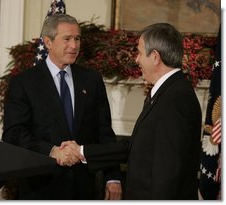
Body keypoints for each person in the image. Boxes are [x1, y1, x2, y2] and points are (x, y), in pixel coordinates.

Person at [61, 23, 202, 200]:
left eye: (140, 53)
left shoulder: (175, 99)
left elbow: (168, 172)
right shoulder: (167, 92)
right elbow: (135, 147)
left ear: (155, 57)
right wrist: (82, 151)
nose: (136, 60)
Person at [2, 13, 122, 200]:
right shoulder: (24, 82)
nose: (74, 46)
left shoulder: (91, 80)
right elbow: (14, 134)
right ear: (48, 42)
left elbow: (104, 132)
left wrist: (113, 178)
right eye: (67, 39)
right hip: (40, 188)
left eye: (77, 39)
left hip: (83, 189)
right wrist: (52, 151)